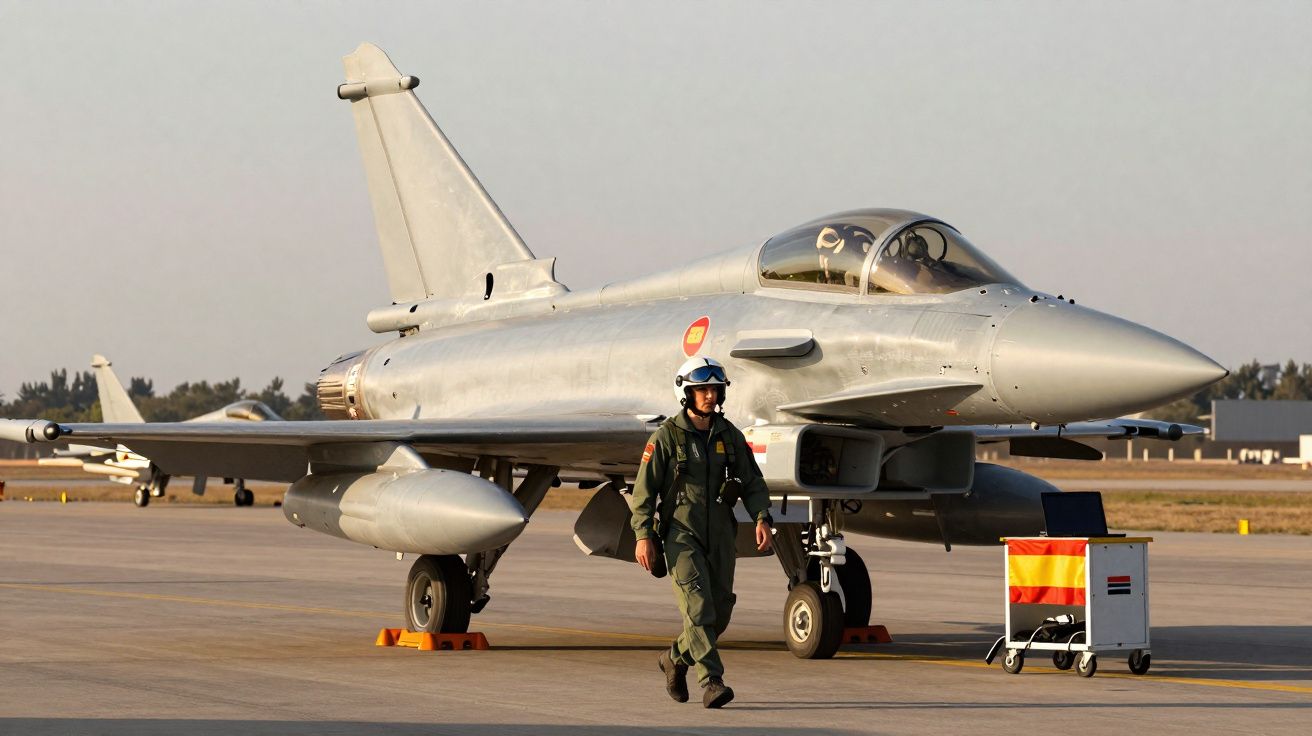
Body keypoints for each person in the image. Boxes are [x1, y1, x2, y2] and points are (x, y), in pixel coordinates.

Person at [631, 356, 773, 709]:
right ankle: (711, 681)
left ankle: (675, 657)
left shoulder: (730, 436)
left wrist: (761, 517)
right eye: (702, 390)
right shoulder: (666, 437)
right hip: (681, 532)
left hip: (722, 531)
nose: (710, 396)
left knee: (719, 612)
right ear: (687, 393)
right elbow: (644, 491)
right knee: (698, 609)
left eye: (715, 390)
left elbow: (752, 481)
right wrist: (643, 535)